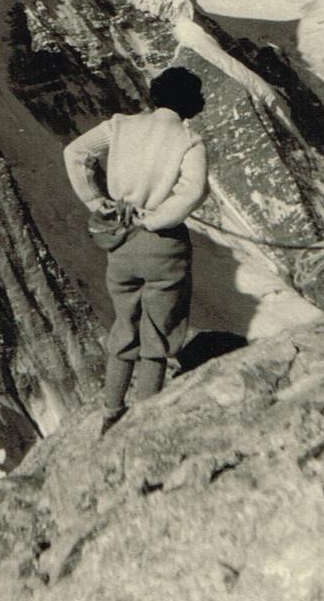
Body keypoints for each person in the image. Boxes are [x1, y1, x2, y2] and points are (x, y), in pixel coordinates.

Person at [63, 66, 208, 436]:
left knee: (124, 323)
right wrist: (157, 220)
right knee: (158, 334)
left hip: (120, 238)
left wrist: (97, 202)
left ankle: (112, 410)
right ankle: (145, 419)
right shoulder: (189, 141)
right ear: (190, 103)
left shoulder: (119, 126)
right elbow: (192, 191)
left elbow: (76, 152)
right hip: (163, 244)